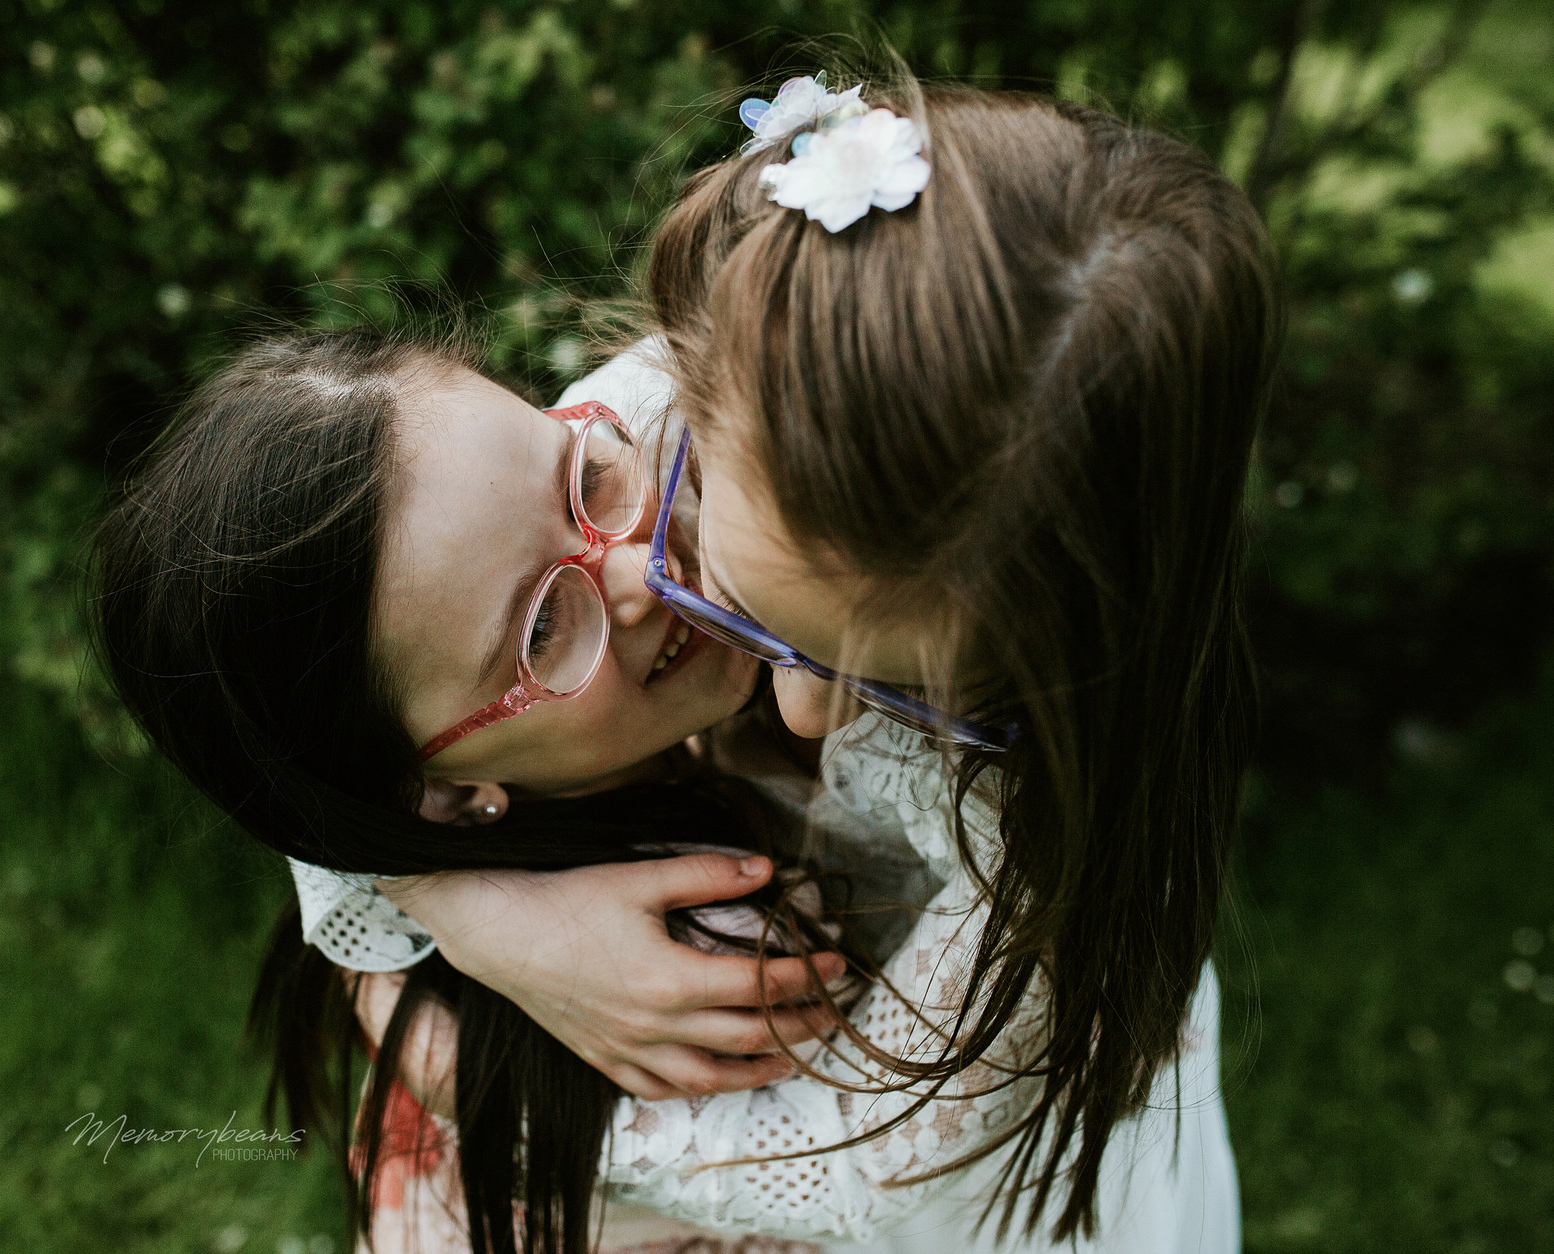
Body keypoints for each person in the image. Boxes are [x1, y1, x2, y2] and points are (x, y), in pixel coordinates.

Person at [333, 77, 1280, 1251]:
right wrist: (462, 907)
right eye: (732, 590)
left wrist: (454, 1063)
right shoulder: (635, 434)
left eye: (886, 682)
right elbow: (323, 670)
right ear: (688, 371)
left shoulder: (1051, 825)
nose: (796, 702)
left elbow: (865, 1173)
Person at [90, 329, 880, 1254]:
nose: (639, 568)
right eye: (544, 627)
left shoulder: (440, 922)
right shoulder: (719, 953)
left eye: (582, 477)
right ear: (444, 796)